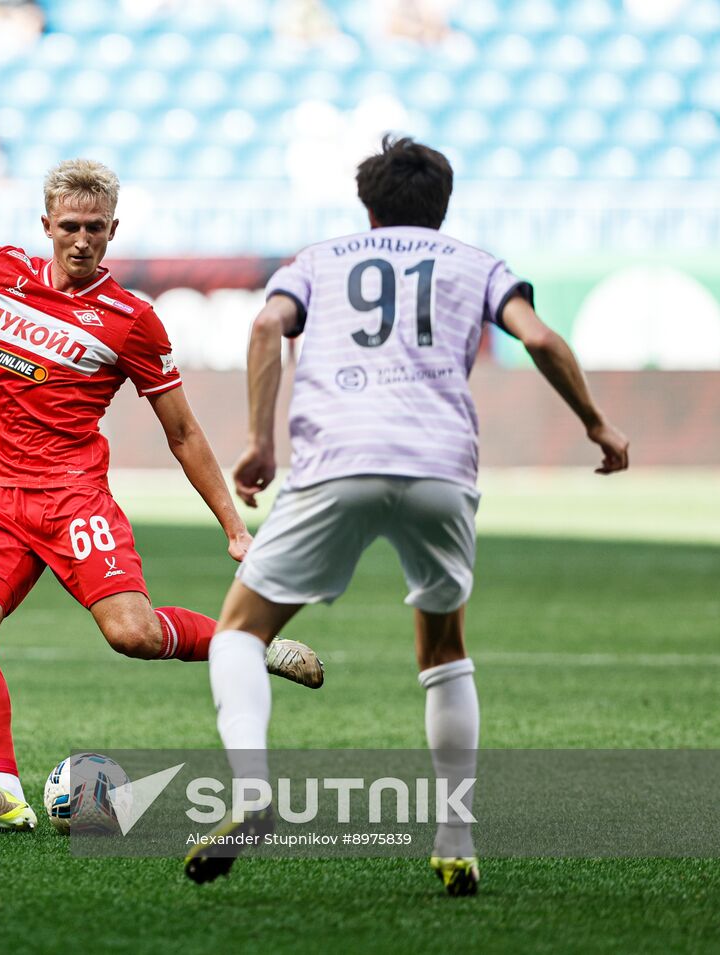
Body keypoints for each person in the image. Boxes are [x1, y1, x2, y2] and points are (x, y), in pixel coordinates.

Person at [0, 102, 325, 833]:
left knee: (131, 634)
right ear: (47, 226)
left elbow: (183, 430)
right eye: (70, 227)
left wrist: (233, 526)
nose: (83, 241)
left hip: (75, 503)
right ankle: (2, 787)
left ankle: (246, 641)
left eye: (96, 228)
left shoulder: (131, 319)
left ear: (113, 231)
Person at [184, 136, 629, 893]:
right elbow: (541, 338)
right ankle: (455, 839)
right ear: (443, 204)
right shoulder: (475, 263)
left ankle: (252, 788)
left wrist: (260, 440)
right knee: (444, 649)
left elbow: (265, 328)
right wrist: (595, 422)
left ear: (369, 204)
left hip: (338, 460)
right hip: (439, 466)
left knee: (240, 631)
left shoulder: (318, 260)